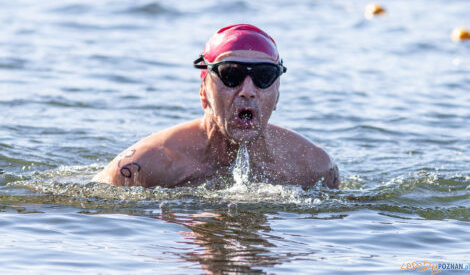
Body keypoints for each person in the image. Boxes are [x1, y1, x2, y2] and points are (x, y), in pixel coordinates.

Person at [92, 24, 339, 189]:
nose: (248, 91)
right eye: (231, 74)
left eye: (264, 76)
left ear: (278, 94)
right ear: (203, 92)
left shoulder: (314, 167)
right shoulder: (147, 164)